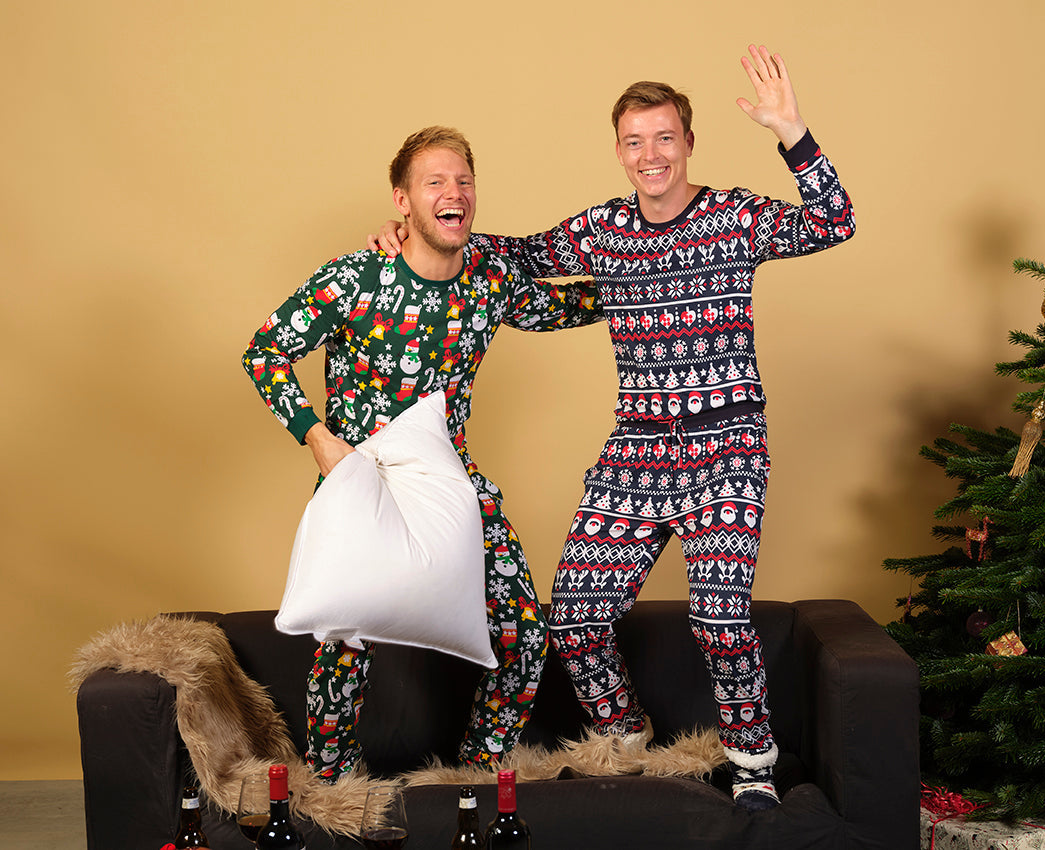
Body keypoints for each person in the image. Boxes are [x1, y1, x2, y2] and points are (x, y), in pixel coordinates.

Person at [371, 45, 855, 809]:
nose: (650, 154)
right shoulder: (603, 230)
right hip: (637, 451)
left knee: (720, 618)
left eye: (664, 137)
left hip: (727, 450)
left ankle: (753, 765)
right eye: (635, 141)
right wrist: (412, 234)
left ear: (688, 142)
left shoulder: (734, 216)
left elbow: (835, 221)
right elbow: (520, 254)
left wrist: (790, 131)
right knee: (575, 618)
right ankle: (623, 734)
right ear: (619, 151)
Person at [243, 126, 603, 781]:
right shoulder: (356, 277)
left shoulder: (490, 279)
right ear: (402, 200)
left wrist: (664, 267)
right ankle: (331, 784)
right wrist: (320, 442)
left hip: (448, 482)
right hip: (363, 480)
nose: (453, 192)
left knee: (524, 635)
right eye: (434, 181)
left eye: (463, 181)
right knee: (346, 640)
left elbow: (571, 304)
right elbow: (264, 352)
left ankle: (477, 779)